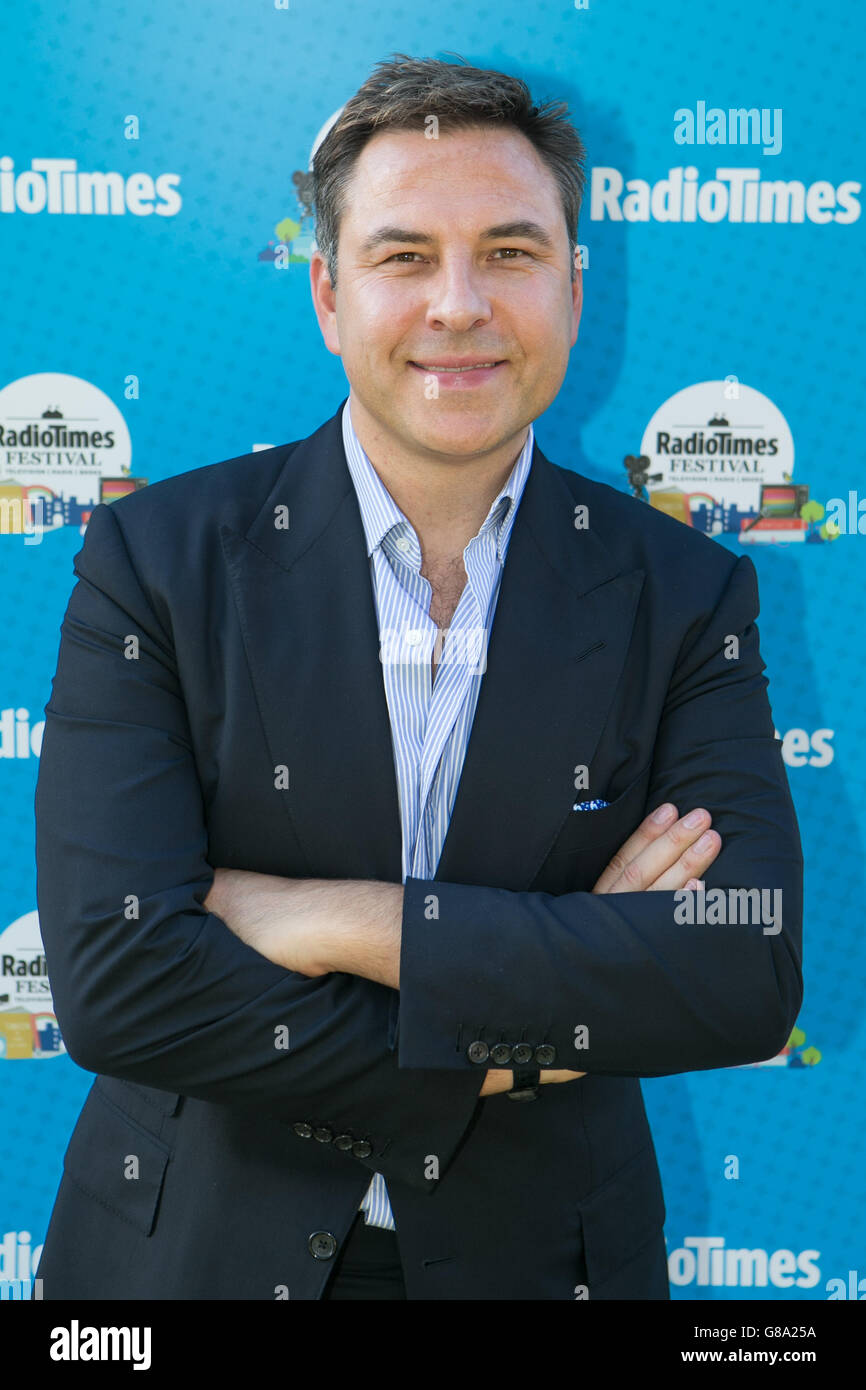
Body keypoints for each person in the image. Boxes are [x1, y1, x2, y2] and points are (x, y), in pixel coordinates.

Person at [33, 53, 803, 1301]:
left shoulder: (685, 592)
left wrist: (340, 919)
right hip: (190, 1261)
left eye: (509, 251)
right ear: (328, 294)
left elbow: (737, 969)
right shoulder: (157, 561)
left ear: (572, 285)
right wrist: (527, 1027)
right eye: (403, 257)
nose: (458, 305)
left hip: (542, 1264)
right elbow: (121, 988)